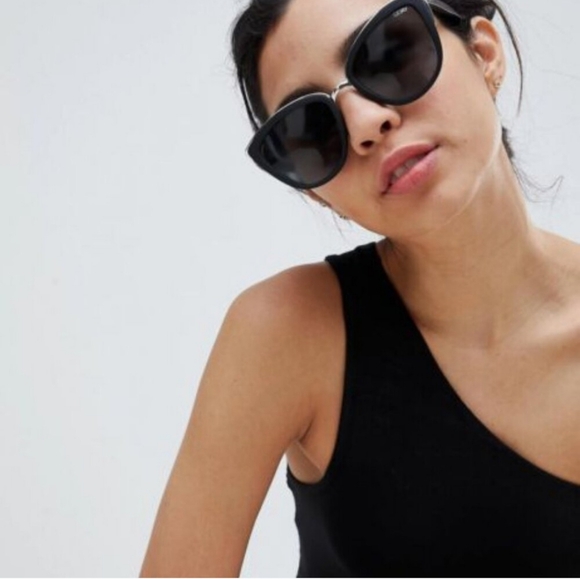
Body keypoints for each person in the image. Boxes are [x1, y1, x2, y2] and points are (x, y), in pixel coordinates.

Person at [139, 0, 580, 576]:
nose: (366, 124)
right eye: (311, 129)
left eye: (389, 53)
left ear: (484, 54)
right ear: (317, 193)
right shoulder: (289, 332)